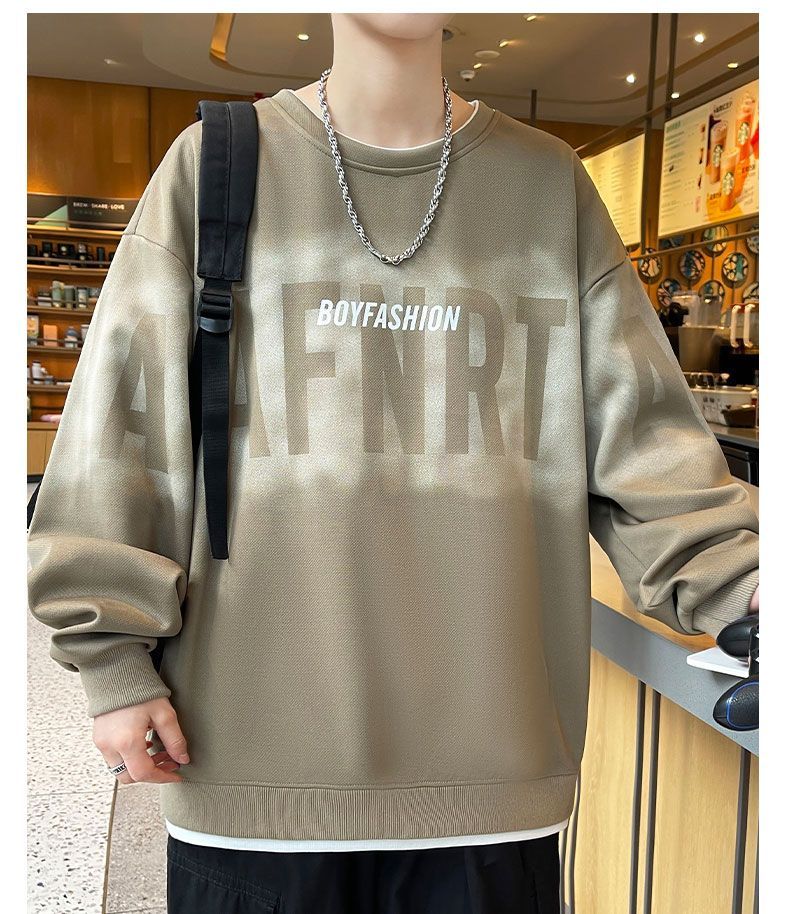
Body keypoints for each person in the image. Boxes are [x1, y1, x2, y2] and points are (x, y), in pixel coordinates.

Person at [27, 12, 759, 914]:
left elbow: (643, 440)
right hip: (253, 769)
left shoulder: (546, 186)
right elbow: (122, 435)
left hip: (489, 781)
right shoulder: (213, 166)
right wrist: (110, 659)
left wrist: (744, 584)